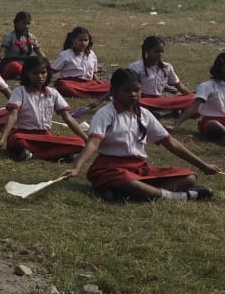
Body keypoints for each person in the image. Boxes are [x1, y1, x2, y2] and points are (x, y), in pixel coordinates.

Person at [64, 68, 218, 202]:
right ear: (114, 91)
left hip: (138, 168)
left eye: (137, 90)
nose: (133, 94)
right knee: (129, 182)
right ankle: (179, 196)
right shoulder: (105, 114)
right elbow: (93, 143)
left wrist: (202, 165)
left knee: (189, 177)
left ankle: (127, 192)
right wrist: (76, 167)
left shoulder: (144, 114)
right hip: (110, 168)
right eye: (126, 90)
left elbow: (170, 142)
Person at [0, 56, 89, 161]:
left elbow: (68, 118)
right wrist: (2, 139)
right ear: (26, 74)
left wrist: (86, 139)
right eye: (34, 73)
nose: (40, 76)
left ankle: (31, 155)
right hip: (24, 135)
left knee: (79, 142)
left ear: (48, 73)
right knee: (17, 139)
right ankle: (58, 153)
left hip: (45, 136)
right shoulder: (20, 91)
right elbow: (13, 116)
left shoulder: (53, 93)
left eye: (43, 72)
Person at [127, 36, 195, 114]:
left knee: (193, 98)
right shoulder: (136, 66)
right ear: (147, 51)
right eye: (156, 51)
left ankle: (162, 111)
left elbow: (179, 86)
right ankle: (165, 111)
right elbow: (130, 88)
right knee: (135, 102)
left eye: (162, 52)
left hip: (160, 100)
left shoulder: (167, 67)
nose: (160, 54)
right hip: (143, 100)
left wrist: (192, 97)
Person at [172, 51, 225, 144]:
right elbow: (193, 108)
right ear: (220, 67)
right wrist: (176, 124)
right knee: (213, 125)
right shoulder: (207, 86)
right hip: (212, 121)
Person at [51, 26, 110, 99]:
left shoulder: (91, 54)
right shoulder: (66, 54)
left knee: (110, 85)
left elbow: (93, 74)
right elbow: (52, 70)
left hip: (88, 84)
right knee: (65, 87)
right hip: (71, 83)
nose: (83, 43)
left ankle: (95, 93)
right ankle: (97, 94)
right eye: (80, 40)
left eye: (86, 40)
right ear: (73, 40)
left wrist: (98, 82)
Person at [0, 10, 41, 79]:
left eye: (28, 23)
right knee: (15, 66)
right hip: (10, 63)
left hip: (26, 63)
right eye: (23, 23)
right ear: (16, 23)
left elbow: (40, 53)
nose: (26, 26)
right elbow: (0, 54)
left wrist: (47, 64)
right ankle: (28, 75)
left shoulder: (31, 37)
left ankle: (27, 74)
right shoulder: (9, 36)